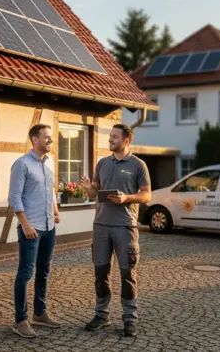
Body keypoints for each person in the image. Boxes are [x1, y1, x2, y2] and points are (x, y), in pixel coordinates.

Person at [80, 123, 151, 337]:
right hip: (101, 225)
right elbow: (94, 192)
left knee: (128, 273)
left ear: (127, 141)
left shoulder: (138, 165)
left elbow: (147, 196)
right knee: (100, 273)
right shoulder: (102, 163)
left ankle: (130, 318)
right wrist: (88, 189)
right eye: (110, 136)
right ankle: (102, 315)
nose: (110, 139)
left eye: (115, 137)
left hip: (125, 227)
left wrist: (127, 198)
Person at [8, 123, 61, 338]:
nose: (50, 141)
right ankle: (20, 320)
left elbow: (51, 190)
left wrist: (55, 211)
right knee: (26, 273)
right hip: (32, 228)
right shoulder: (21, 164)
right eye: (46, 137)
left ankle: (40, 313)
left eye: (51, 137)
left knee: (44, 271)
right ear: (35, 140)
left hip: (49, 226)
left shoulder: (50, 164)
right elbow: (14, 197)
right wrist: (25, 224)